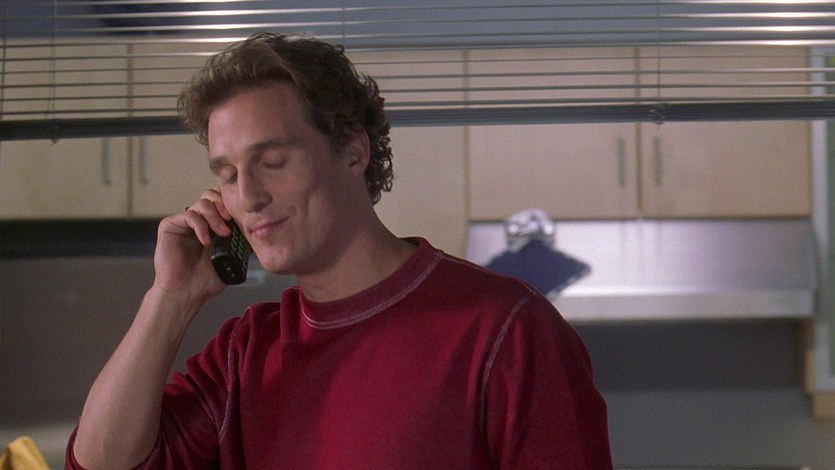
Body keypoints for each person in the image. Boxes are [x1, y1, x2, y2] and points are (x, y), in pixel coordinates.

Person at [66, 32, 613, 469]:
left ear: (353, 153)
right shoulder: (245, 353)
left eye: (272, 162)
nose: (248, 196)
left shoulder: (507, 330)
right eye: (228, 174)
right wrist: (170, 298)